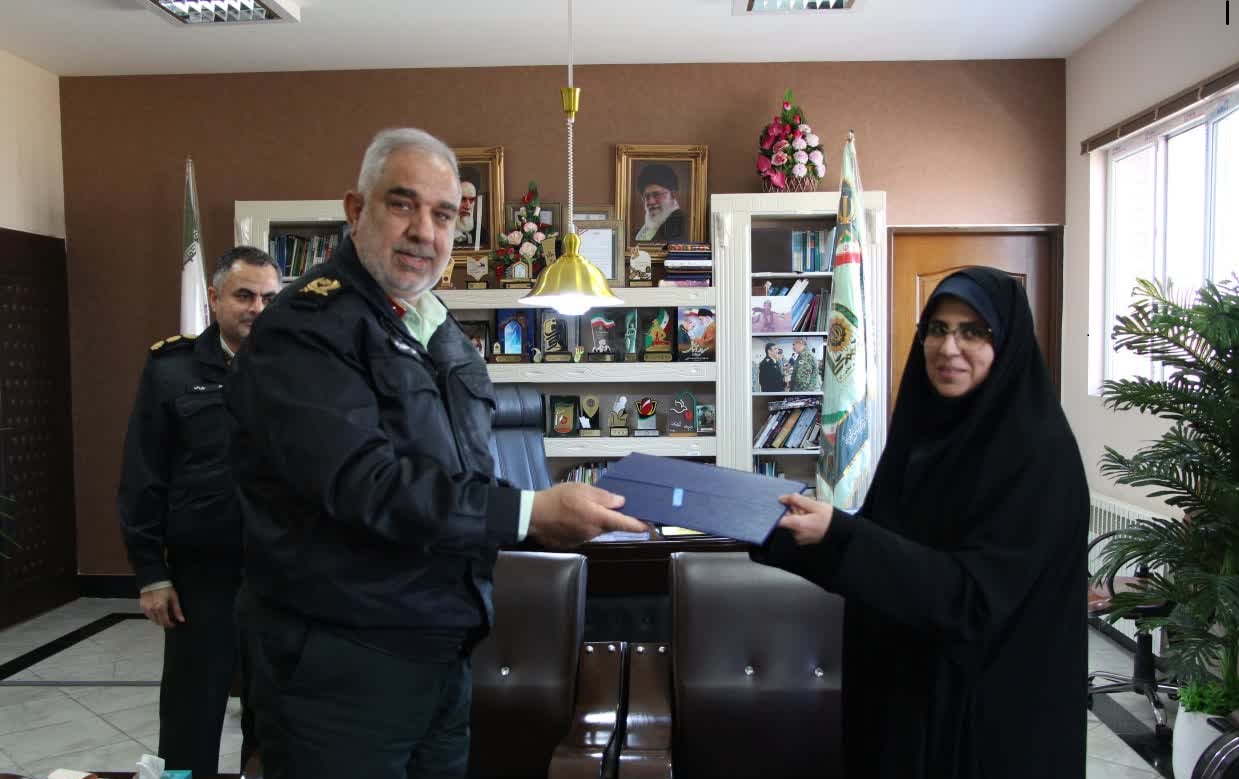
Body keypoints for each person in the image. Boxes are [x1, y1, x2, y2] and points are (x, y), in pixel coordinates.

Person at [226, 127, 646, 779]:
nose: (424, 231)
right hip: (342, 662)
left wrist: (541, 511)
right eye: (403, 205)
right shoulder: (305, 327)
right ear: (355, 210)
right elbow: (367, 485)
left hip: (443, 649)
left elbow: (461, 479)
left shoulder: (437, 325)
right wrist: (530, 512)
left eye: (443, 214)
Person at [752, 267, 1088, 778]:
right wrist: (762, 524)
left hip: (987, 720)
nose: (948, 348)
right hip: (908, 701)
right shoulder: (925, 436)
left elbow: (974, 600)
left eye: (973, 331)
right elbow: (877, 555)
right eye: (937, 329)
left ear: (1007, 344)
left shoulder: (1039, 456)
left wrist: (842, 533)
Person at [117, 245, 281, 776]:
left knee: (277, 716)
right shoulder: (171, 369)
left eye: (268, 298)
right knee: (191, 714)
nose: (257, 308)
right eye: (244, 296)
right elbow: (143, 475)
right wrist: (151, 572)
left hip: (280, 573)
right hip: (201, 577)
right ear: (214, 298)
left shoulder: (297, 367)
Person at [633, 163, 685, 242]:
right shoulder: (640, 232)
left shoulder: (685, 226)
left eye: (656, 194)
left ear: (673, 194)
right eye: (647, 196)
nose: (651, 201)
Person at [453, 169, 487, 248]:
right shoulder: (441, 230)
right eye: (463, 199)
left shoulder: (481, 233)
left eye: (472, 200)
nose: (467, 206)